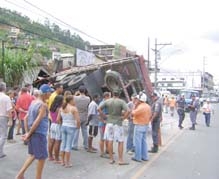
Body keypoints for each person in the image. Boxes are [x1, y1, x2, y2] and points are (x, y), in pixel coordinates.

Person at [16, 84, 53, 179]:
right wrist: (29, 133)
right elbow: (37, 121)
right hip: (39, 133)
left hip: (33, 133)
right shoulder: (43, 105)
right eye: (49, 92)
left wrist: (27, 132)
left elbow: (25, 118)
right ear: (46, 93)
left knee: (33, 155)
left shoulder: (34, 102)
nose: (50, 94)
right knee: (42, 157)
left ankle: (20, 175)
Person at [98, 90, 130, 165]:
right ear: (119, 94)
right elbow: (128, 111)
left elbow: (98, 109)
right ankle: (120, 160)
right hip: (118, 123)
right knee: (120, 141)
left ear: (112, 94)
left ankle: (111, 159)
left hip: (109, 123)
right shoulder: (121, 102)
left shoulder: (108, 101)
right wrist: (123, 118)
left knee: (110, 140)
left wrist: (104, 116)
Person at [57, 95, 80, 168]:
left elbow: (58, 119)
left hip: (64, 126)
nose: (74, 101)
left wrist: (62, 124)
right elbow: (78, 120)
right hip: (71, 126)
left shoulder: (62, 108)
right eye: (73, 100)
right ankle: (67, 162)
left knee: (63, 143)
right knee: (68, 145)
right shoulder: (74, 109)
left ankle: (62, 161)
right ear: (71, 101)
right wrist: (77, 127)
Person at [131, 92, 151, 162]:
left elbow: (133, 113)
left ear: (140, 99)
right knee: (144, 142)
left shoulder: (140, 107)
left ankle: (138, 157)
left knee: (138, 142)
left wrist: (134, 105)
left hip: (139, 125)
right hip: (145, 125)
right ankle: (145, 156)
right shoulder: (148, 106)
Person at [72, 85, 90, 150]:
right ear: (85, 91)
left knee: (76, 130)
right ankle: (86, 145)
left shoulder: (75, 98)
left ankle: (74, 145)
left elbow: (73, 101)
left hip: (77, 115)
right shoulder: (88, 98)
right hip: (84, 115)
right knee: (84, 131)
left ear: (79, 91)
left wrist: (76, 94)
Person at [48, 95, 64, 162]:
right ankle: (57, 158)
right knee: (58, 142)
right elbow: (59, 119)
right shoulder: (59, 109)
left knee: (51, 141)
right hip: (58, 125)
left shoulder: (52, 107)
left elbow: (49, 115)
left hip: (52, 124)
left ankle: (50, 156)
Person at [0, 82, 12, 158]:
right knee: (3, 135)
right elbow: (9, 110)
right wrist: (10, 120)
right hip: (3, 117)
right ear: (4, 88)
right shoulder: (6, 97)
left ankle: (1, 151)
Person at [98, 92, 111, 158]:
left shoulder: (106, 103)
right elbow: (99, 113)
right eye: (109, 97)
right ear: (106, 97)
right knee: (102, 138)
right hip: (103, 123)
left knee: (107, 137)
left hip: (106, 123)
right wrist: (104, 118)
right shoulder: (102, 103)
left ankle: (107, 150)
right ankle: (102, 152)